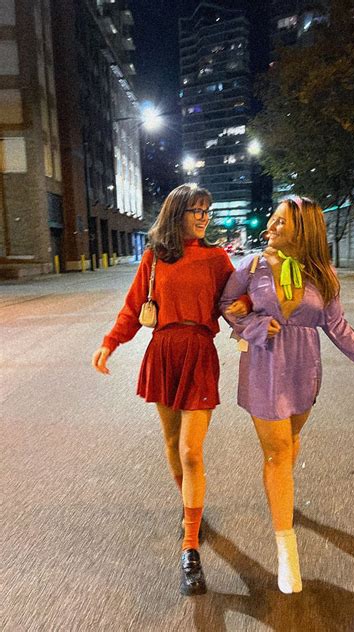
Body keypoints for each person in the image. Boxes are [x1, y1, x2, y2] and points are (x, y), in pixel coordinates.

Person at [220, 196, 354, 594]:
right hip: (264, 368)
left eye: (280, 223)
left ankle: (282, 491)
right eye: (271, 221)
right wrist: (252, 324)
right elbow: (227, 304)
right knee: (277, 452)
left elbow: (339, 329)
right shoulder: (251, 267)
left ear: (302, 232)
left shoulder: (322, 277)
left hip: (304, 372)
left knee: (290, 443)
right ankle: (287, 551)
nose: (270, 227)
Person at [92, 184, 248, 596]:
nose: (203, 218)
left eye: (206, 212)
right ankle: (190, 510)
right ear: (176, 214)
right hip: (162, 351)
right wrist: (110, 342)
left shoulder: (217, 258)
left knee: (191, 450)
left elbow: (237, 301)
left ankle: (190, 545)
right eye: (196, 211)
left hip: (199, 353)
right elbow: (131, 307)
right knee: (172, 440)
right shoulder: (155, 258)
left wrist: (257, 317)